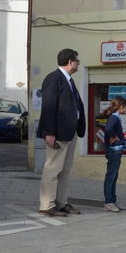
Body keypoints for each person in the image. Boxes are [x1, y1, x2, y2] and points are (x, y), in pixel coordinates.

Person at [36, 48, 86, 217]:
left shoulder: (69, 80)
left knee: (65, 171)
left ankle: (61, 203)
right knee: (52, 169)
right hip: (57, 133)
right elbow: (49, 107)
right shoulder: (54, 79)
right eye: (77, 61)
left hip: (70, 132)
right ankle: (47, 205)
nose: (78, 64)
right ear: (70, 62)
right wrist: (50, 132)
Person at [102, 96, 126, 212]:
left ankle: (113, 200)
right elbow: (108, 128)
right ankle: (109, 202)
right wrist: (114, 136)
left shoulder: (115, 117)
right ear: (121, 107)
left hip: (116, 149)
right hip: (114, 150)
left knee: (114, 176)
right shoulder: (114, 117)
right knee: (111, 177)